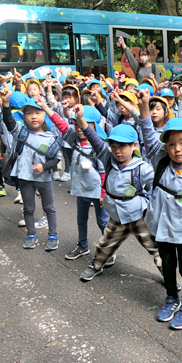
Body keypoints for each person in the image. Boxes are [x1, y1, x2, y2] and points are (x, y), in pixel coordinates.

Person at [139, 88, 182, 330]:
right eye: (171, 144)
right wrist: (144, 107)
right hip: (162, 229)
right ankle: (171, 298)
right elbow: (149, 136)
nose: (177, 149)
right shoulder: (161, 164)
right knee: (167, 265)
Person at [71, 104, 161, 281]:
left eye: (123, 146)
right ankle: (96, 265)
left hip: (139, 215)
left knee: (155, 247)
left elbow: (158, 185)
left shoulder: (142, 168)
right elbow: (93, 137)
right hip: (117, 215)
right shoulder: (107, 158)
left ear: (134, 145)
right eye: (113, 146)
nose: (118, 151)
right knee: (105, 244)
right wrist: (80, 119)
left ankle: (170, 276)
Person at [45, 102, 110, 261]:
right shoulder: (73, 139)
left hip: (97, 191)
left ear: (94, 126)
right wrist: (46, 107)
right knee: (81, 220)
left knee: (103, 222)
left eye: (84, 123)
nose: (79, 127)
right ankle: (82, 245)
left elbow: (104, 172)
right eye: (76, 123)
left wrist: (103, 193)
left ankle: (109, 250)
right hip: (81, 189)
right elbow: (60, 123)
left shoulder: (99, 145)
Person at [0, 89, 60, 251]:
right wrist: (6, 103)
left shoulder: (50, 137)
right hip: (25, 178)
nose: (34, 116)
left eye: (38, 113)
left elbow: (56, 159)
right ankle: (31, 234)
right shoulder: (21, 133)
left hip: (44, 179)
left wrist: (44, 166)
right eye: (29, 113)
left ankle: (53, 236)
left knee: (49, 208)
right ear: (24, 117)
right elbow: (8, 121)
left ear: (44, 115)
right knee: (28, 208)